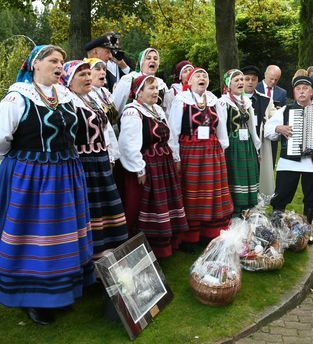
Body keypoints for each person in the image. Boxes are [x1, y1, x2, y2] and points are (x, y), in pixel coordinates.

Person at [0, 45, 95, 325]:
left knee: (63, 234)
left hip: (65, 173)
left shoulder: (65, 96)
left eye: (61, 62)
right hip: (31, 178)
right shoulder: (17, 99)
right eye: (53, 60)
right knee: (34, 237)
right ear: (35, 65)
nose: (59, 66)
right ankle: (32, 298)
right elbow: (2, 140)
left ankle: (60, 292)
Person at [118, 75, 188, 258]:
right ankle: (142, 247)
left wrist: (175, 156)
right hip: (147, 165)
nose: (155, 91)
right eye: (150, 88)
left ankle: (165, 244)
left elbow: (170, 136)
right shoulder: (133, 111)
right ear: (138, 92)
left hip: (163, 163)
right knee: (143, 205)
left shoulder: (156, 109)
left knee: (164, 204)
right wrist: (138, 168)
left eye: (156, 88)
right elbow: (128, 144)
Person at [63, 60, 128, 257]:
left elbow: (107, 129)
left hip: (100, 161)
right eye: (81, 75)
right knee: (90, 210)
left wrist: (111, 155)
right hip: (83, 163)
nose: (88, 78)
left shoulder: (93, 98)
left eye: (88, 74)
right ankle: (90, 258)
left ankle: (109, 256)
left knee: (106, 209)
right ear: (68, 80)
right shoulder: (67, 101)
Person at [169, 68, 233, 247]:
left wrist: (222, 147)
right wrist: (176, 157)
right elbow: (173, 131)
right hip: (190, 151)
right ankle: (190, 238)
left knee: (212, 193)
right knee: (192, 193)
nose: (202, 78)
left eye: (205, 75)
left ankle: (210, 233)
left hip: (212, 152)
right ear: (189, 82)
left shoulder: (213, 100)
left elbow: (221, 128)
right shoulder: (181, 100)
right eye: (198, 75)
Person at [265, 76, 313, 225]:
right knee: (282, 194)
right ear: (294, 92)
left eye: (305, 89)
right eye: (298, 89)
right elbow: (267, 129)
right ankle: (276, 226)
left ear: (311, 92)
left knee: (311, 198)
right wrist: (278, 128)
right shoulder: (286, 110)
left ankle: (307, 228)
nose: (302, 92)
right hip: (288, 161)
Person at [219, 69, 261, 215]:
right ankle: (236, 211)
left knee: (249, 176)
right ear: (228, 84)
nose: (241, 83)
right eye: (236, 80)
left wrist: (256, 145)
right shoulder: (223, 103)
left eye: (242, 80)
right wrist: (223, 149)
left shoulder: (246, 102)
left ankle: (248, 210)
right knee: (236, 177)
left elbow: (252, 127)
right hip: (233, 145)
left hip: (247, 144)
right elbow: (221, 127)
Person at [242, 65, 275, 196]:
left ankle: (258, 202)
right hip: (241, 142)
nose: (250, 82)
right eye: (247, 79)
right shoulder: (232, 100)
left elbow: (274, 118)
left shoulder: (265, 100)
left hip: (259, 143)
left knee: (259, 173)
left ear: (257, 81)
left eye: (253, 79)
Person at [112, 48, 168, 113]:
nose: (153, 60)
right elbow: (116, 106)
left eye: (155, 59)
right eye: (148, 58)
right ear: (141, 62)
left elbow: (167, 111)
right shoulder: (129, 79)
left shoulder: (161, 84)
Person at [84, 57, 121, 133]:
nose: (103, 72)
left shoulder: (105, 91)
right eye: (98, 69)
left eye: (104, 69)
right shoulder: (86, 94)